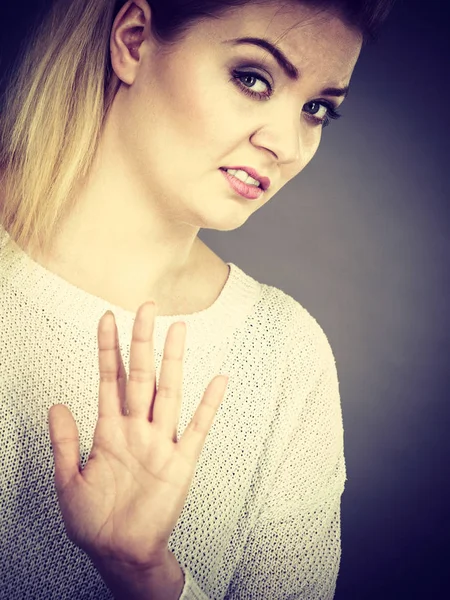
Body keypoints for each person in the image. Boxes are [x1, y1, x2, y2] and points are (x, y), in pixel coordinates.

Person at [0, 0, 396, 598]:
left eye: (317, 110)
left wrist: (146, 576)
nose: (287, 143)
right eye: (253, 78)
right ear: (133, 40)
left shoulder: (283, 357)